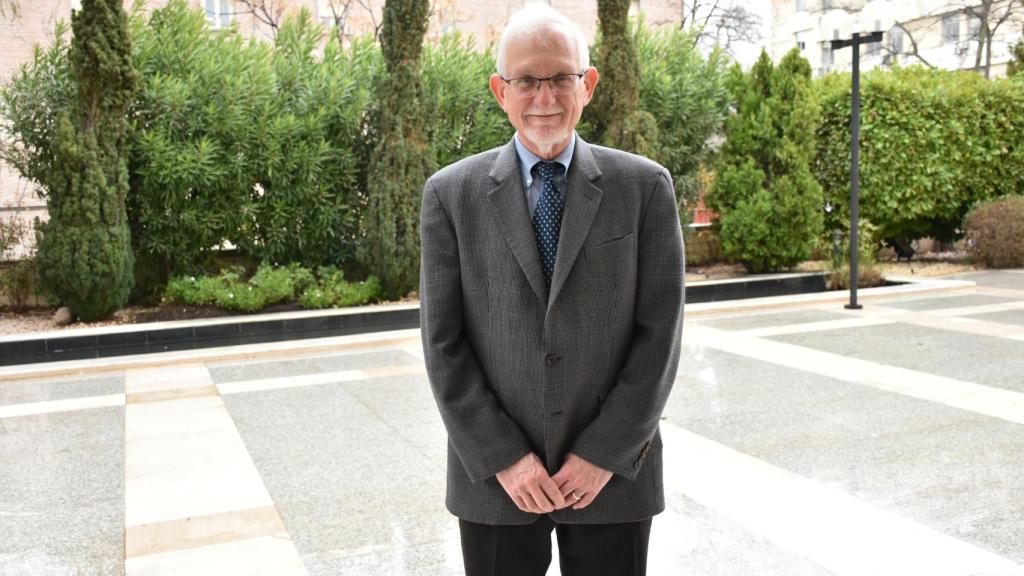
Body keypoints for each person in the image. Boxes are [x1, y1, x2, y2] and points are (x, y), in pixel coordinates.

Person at [419, 4, 684, 575]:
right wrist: (506, 460)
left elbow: (659, 338)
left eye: (561, 78)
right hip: (496, 484)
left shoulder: (644, 188)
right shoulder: (449, 195)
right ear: (500, 90)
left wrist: (602, 454)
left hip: (612, 478)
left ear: (587, 84)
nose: (545, 97)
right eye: (527, 81)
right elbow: (444, 345)